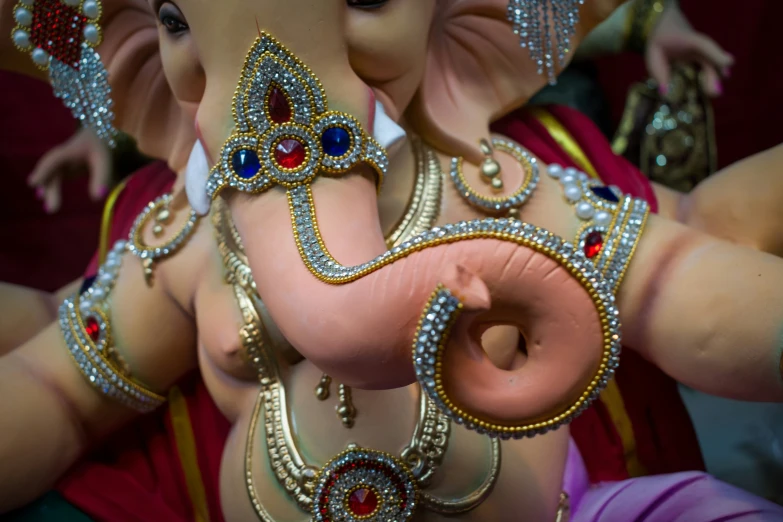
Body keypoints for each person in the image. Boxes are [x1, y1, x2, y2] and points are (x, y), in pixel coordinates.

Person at [2, 1, 783, 521]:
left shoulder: (497, 188)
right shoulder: (184, 242)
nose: (275, 101)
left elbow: (672, 289)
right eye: (179, 20)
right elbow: (62, 390)